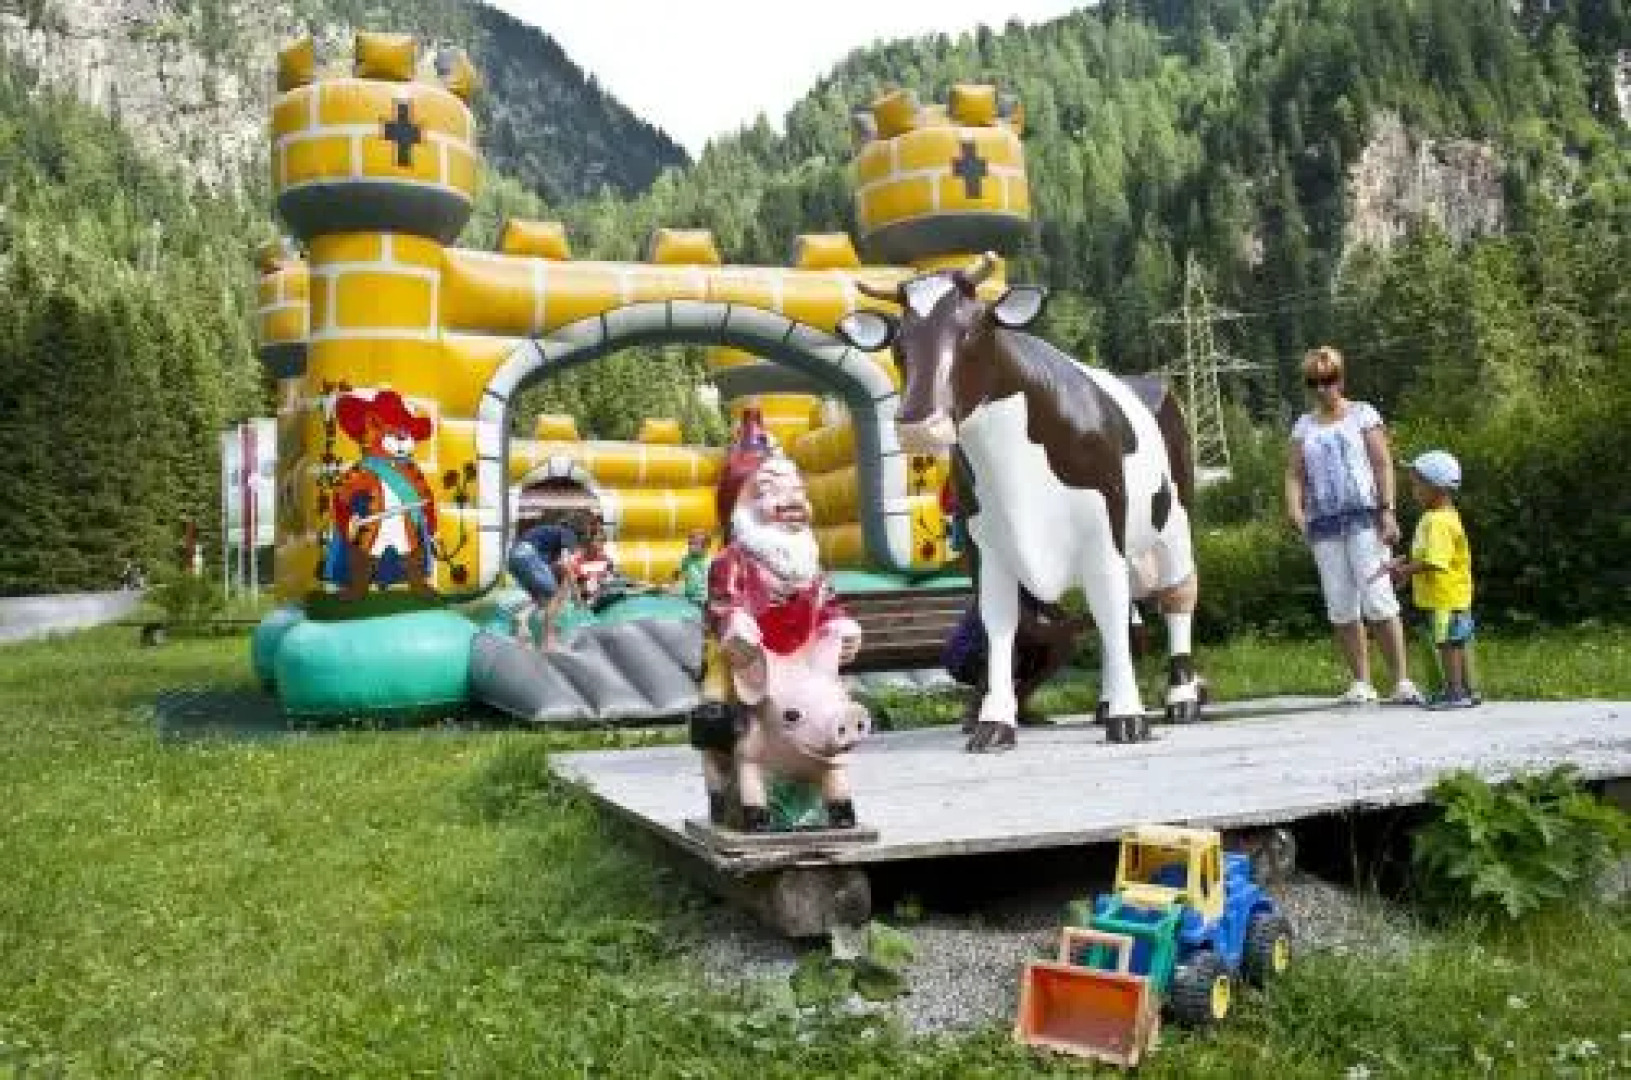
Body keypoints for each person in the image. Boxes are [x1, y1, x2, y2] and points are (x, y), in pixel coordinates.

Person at [1285, 346, 1422, 706]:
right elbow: (1294, 474)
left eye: (1328, 380)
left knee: (1378, 599)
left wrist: (1388, 510)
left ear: (1341, 379)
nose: (1322, 388)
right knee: (1340, 604)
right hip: (1323, 525)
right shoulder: (1304, 426)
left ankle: (1401, 680)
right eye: (1313, 382)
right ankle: (1361, 681)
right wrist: (1295, 509)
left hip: (1365, 519)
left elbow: (1382, 464)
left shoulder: (1363, 415)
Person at [1374, 451, 1479, 709]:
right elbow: (1428, 552)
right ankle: (1466, 690)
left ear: (1436, 487)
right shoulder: (1440, 516)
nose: (1414, 491)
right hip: (1447, 596)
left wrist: (1404, 571)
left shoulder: (1438, 521)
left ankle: (1455, 693)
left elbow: (1435, 561)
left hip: (1445, 597)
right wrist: (1403, 561)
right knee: (1454, 640)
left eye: (1417, 484)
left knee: (1448, 643)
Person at [943, 591, 1087, 731]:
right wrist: (1084, 622)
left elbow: (1060, 618)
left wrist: (1089, 616)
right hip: (966, 657)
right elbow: (1036, 631)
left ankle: (1017, 706)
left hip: (1008, 653)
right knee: (1005, 652)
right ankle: (975, 712)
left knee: (1063, 645)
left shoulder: (1034, 591)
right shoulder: (1001, 587)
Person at [507, 516, 581, 649]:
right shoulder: (568, 533)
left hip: (513, 559)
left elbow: (554, 569)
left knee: (541, 599)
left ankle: (522, 617)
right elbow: (565, 564)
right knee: (553, 595)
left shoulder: (548, 538)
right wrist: (576, 595)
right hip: (527, 554)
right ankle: (548, 641)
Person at [672, 529, 711, 605]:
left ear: (705, 546)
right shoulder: (686, 560)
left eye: (695, 544)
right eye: (689, 544)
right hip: (689, 596)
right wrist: (674, 586)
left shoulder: (710, 561)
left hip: (704, 597)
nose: (691, 547)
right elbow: (676, 573)